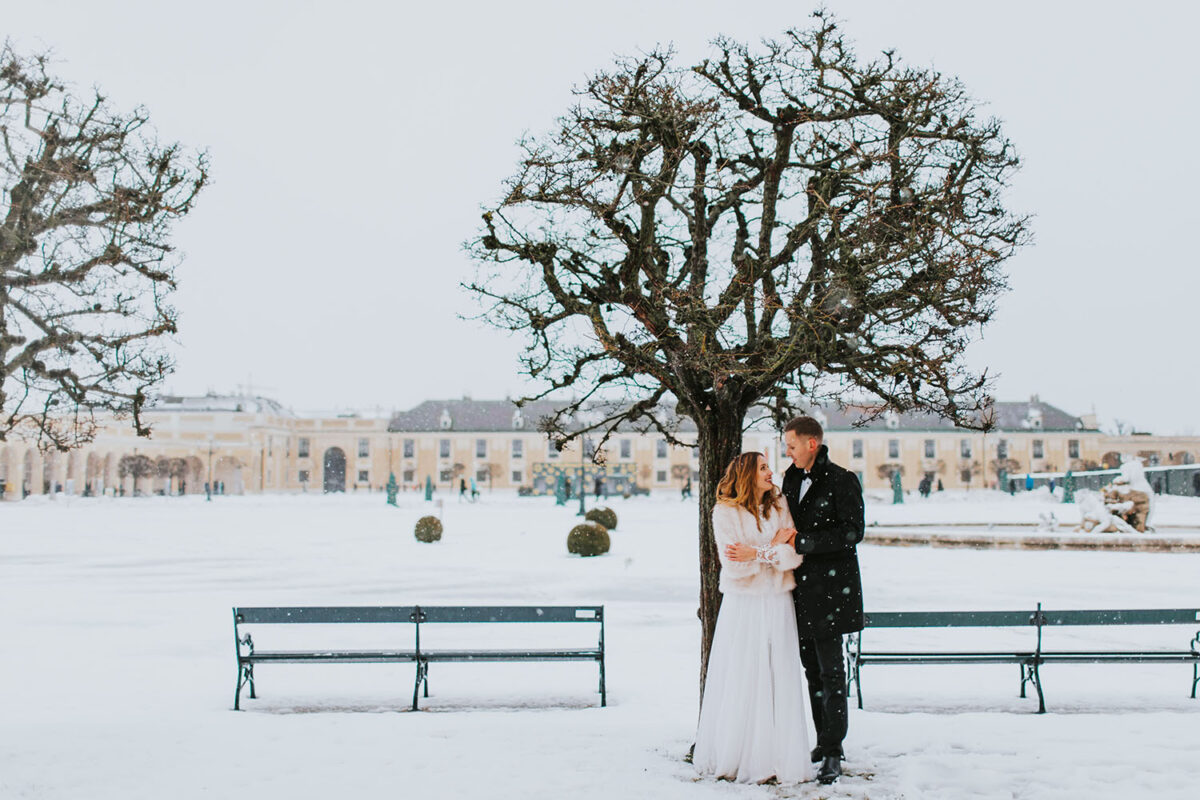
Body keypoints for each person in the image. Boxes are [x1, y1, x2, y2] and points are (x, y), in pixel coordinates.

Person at [693, 452, 812, 785]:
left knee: (778, 676)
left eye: (768, 466)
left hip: (777, 599)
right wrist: (771, 549)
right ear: (746, 474)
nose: (770, 472)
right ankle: (741, 754)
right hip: (744, 604)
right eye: (762, 468)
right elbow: (734, 564)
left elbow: (793, 557)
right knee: (745, 674)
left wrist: (759, 552)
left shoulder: (779, 506)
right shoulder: (725, 512)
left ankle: (778, 756)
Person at [781, 416, 865, 786]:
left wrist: (803, 543)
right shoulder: (790, 478)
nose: (788, 451)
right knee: (811, 672)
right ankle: (821, 740)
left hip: (831, 594)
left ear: (812, 443)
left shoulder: (843, 480)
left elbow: (852, 533)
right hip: (797, 592)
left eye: (793, 445)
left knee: (832, 674)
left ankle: (834, 750)